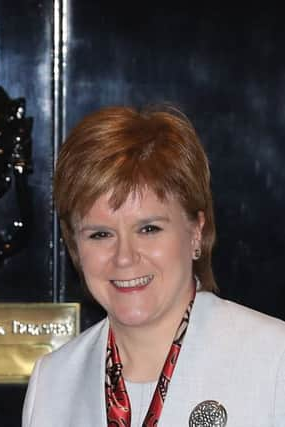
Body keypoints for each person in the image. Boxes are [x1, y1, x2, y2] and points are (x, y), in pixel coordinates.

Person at [22, 105, 285, 426]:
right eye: (100, 234)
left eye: (149, 229)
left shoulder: (274, 360)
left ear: (195, 231)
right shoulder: (52, 381)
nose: (124, 257)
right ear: (75, 245)